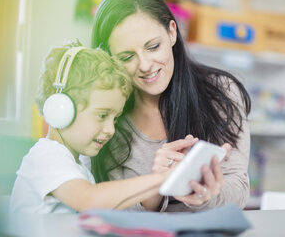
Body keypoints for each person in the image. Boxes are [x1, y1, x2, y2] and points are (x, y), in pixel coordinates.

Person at [91, 0, 251, 212]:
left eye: (153, 46)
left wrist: (202, 192)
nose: (145, 65)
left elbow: (239, 189)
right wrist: (156, 184)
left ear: (172, 32)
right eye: (127, 57)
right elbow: (109, 210)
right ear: (109, 58)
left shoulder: (221, 93)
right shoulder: (107, 120)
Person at [9, 41, 179, 213]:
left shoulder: (79, 168)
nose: (111, 130)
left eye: (115, 119)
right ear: (62, 108)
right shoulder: (46, 157)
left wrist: (162, 180)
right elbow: (87, 199)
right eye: (102, 115)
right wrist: (159, 179)